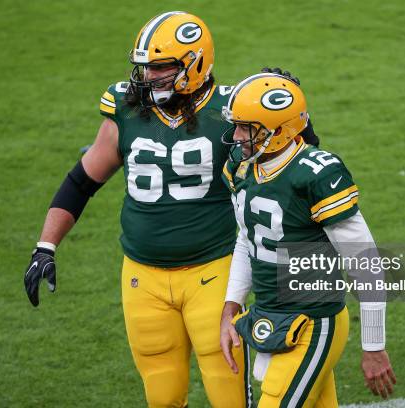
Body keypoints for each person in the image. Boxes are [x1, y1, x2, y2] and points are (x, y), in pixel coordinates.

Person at [23, 11, 254, 407]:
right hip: (142, 279)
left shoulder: (230, 112)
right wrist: (46, 246)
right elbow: (82, 181)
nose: (149, 77)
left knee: (228, 395)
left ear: (195, 63)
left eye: (161, 67)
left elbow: (284, 162)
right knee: (162, 398)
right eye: (145, 67)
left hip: (213, 272)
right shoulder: (125, 108)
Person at [218, 72, 396, 407]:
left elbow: (367, 263)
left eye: (247, 128)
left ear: (279, 130)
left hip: (315, 322)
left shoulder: (316, 173)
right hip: (272, 314)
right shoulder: (242, 168)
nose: (237, 136)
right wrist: (230, 306)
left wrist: (374, 347)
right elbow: (248, 239)